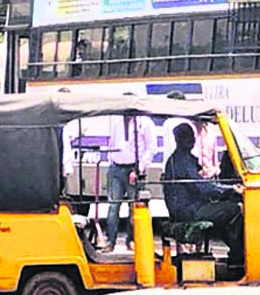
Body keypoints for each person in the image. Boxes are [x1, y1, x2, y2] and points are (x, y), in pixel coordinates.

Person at [162, 123, 244, 264]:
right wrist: (230, 189)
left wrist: (223, 189)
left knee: (223, 212)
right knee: (236, 209)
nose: (192, 140)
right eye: (187, 137)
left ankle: (237, 251)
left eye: (191, 136)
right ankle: (238, 254)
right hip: (189, 210)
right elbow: (203, 188)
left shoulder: (182, 159)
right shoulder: (182, 162)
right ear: (178, 139)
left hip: (189, 206)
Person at [103, 107, 156, 253]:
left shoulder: (144, 123)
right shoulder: (117, 122)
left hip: (133, 168)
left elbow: (151, 148)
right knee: (113, 206)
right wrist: (110, 163)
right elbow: (112, 143)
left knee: (134, 207)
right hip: (116, 168)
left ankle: (131, 240)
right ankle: (110, 241)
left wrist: (139, 168)